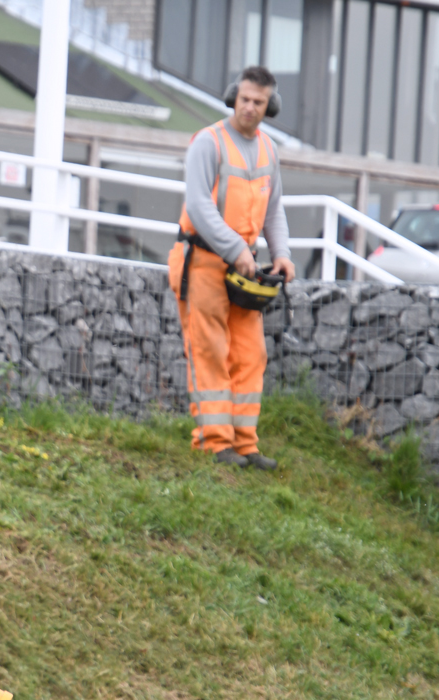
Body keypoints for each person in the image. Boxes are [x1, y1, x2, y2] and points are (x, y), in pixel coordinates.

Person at [167, 65, 295, 471]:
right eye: (245, 100)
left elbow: (274, 210)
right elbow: (200, 207)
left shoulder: (269, 150)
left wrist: (283, 253)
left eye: (259, 102)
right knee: (210, 351)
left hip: (244, 271)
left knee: (251, 354)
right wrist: (236, 248)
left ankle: (245, 445)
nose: (251, 108)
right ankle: (213, 443)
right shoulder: (209, 143)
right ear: (232, 98)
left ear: (269, 105)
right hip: (203, 262)